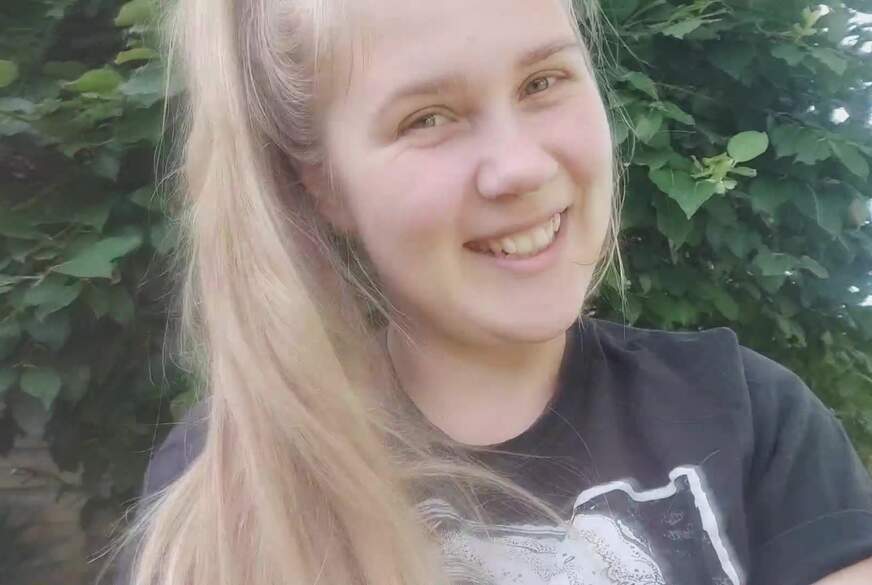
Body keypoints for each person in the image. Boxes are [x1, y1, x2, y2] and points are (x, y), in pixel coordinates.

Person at [106, 0, 872, 584]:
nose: (522, 166)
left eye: (543, 81)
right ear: (324, 185)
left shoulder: (753, 418)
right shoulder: (228, 480)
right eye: (428, 118)